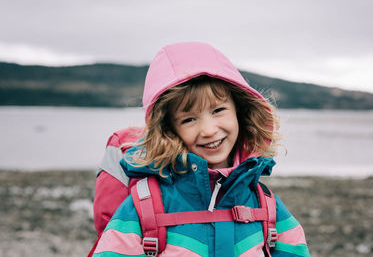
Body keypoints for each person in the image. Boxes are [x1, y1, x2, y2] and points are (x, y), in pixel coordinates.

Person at [90, 42, 310, 257]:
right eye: (189, 119)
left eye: (218, 110)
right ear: (168, 129)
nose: (208, 130)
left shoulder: (265, 204)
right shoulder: (144, 205)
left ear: (240, 111)